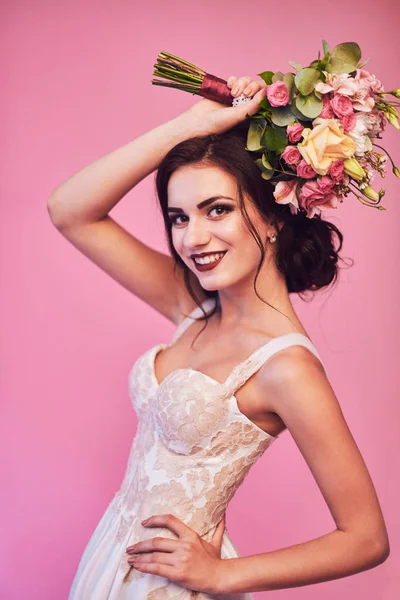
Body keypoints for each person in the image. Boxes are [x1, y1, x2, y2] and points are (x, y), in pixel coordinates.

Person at [47, 75, 390, 599]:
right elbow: (70, 210)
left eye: (218, 210)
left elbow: (366, 539)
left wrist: (224, 575)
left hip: (175, 587)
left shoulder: (285, 366)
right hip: (108, 565)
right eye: (178, 217)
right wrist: (189, 127)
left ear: (273, 214)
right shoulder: (194, 303)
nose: (193, 238)